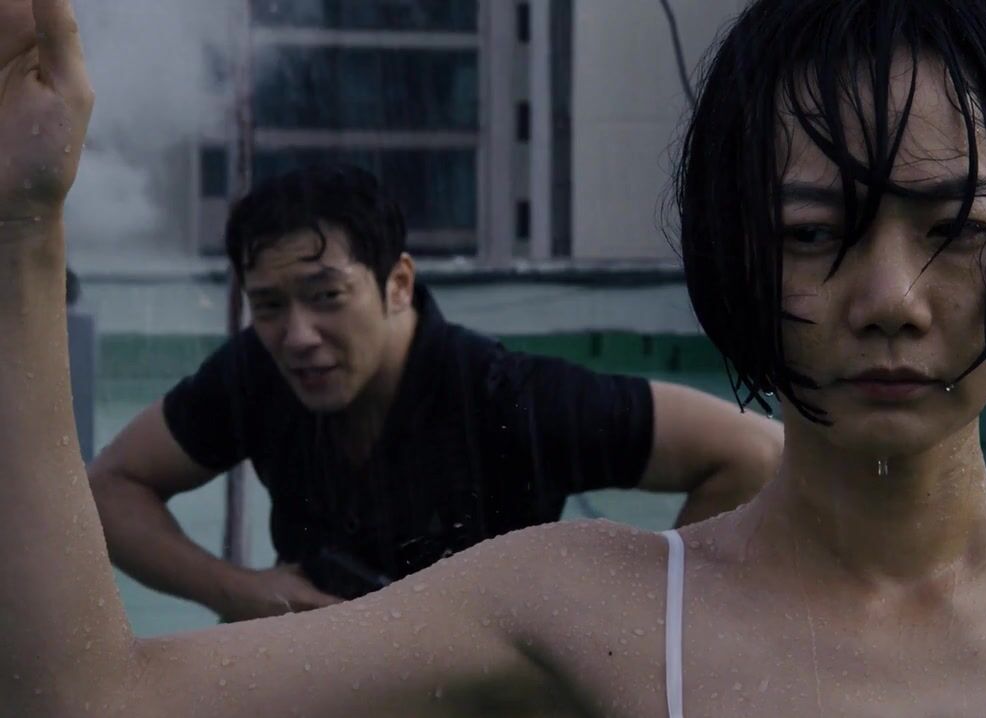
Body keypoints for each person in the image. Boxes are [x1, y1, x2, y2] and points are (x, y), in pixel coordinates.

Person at [1, 0, 986, 717]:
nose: (889, 299)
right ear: (728, 252)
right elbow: (85, 698)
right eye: (810, 233)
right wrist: (21, 230)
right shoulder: (588, 611)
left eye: (955, 229)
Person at [86, 162, 783, 620]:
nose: (297, 335)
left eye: (326, 296)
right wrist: (243, 591)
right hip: (329, 677)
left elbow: (754, 450)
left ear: (398, 283)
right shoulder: (255, 374)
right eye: (268, 305)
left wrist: (632, 623)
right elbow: (111, 487)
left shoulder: (504, 397)